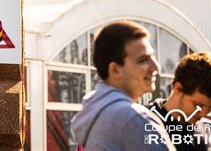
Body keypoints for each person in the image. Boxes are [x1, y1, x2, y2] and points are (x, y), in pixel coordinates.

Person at [71, 20, 175, 150]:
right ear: (115, 70)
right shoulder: (133, 118)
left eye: (153, 57)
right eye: (143, 60)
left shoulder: (96, 113)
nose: (156, 67)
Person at [148, 52, 211, 150]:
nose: (203, 115)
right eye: (198, 105)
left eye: (210, 107)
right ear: (178, 88)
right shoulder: (141, 124)